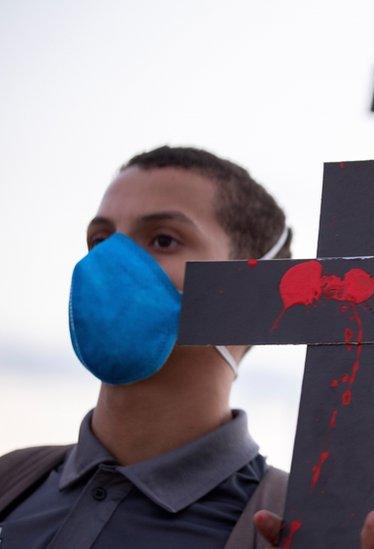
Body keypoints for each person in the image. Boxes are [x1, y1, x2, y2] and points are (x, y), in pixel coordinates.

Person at [0, 146, 292, 548]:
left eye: (163, 239)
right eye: (100, 239)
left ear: (252, 295)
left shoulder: (290, 526)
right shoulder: (11, 484)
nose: (108, 262)